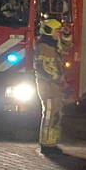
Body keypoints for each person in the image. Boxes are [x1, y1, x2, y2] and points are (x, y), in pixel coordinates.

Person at [34, 18, 67, 155]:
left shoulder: (52, 45)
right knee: (49, 113)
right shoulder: (43, 47)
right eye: (57, 31)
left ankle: (52, 142)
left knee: (56, 113)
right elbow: (41, 67)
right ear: (49, 31)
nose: (58, 33)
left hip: (54, 85)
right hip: (47, 85)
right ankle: (46, 144)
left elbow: (67, 46)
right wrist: (56, 77)